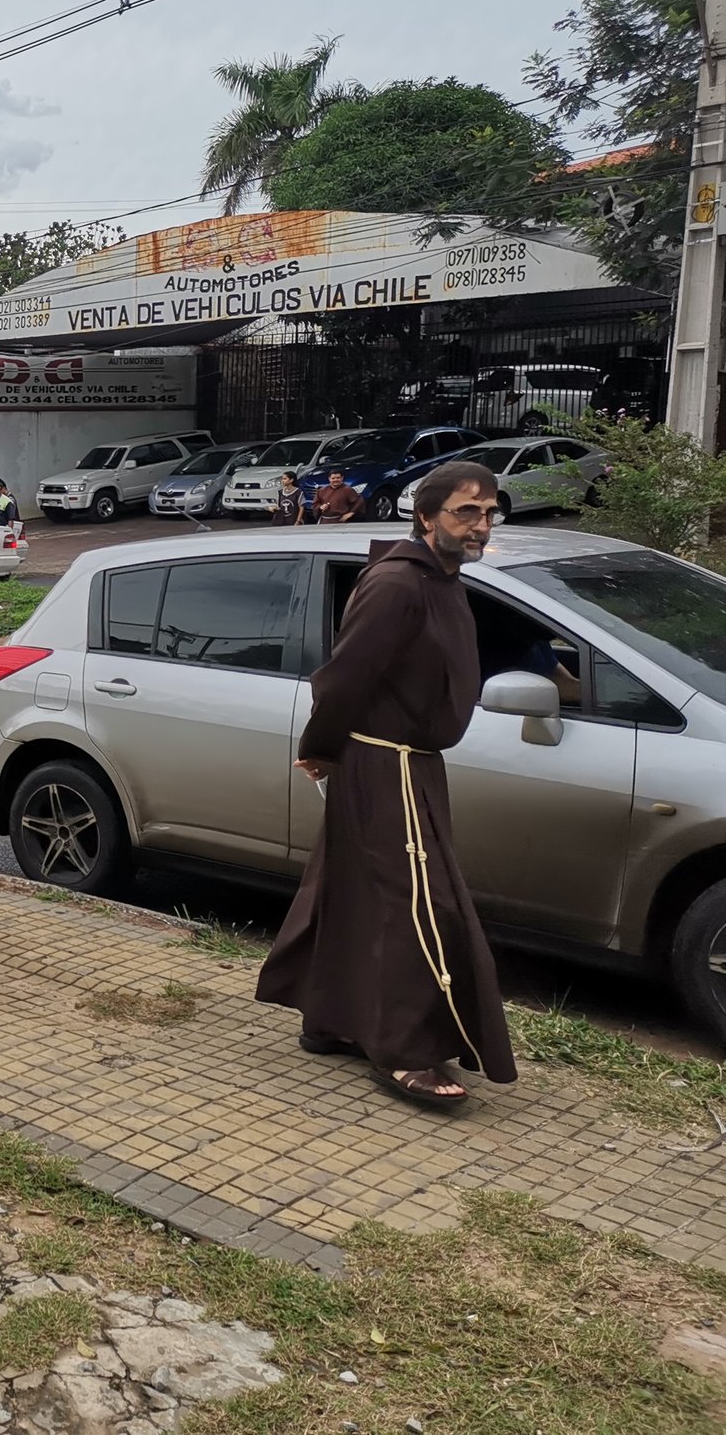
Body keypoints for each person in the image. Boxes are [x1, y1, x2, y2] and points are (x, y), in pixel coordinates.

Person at [255, 461, 519, 1109]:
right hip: (387, 762)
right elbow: (347, 675)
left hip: (411, 763)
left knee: (350, 891)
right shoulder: (400, 583)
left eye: (489, 512)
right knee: (417, 905)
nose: (480, 524)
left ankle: (329, 1019)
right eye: (466, 511)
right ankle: (404, 1049)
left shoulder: (445, 579)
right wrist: (320, 748)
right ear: (427, 516)